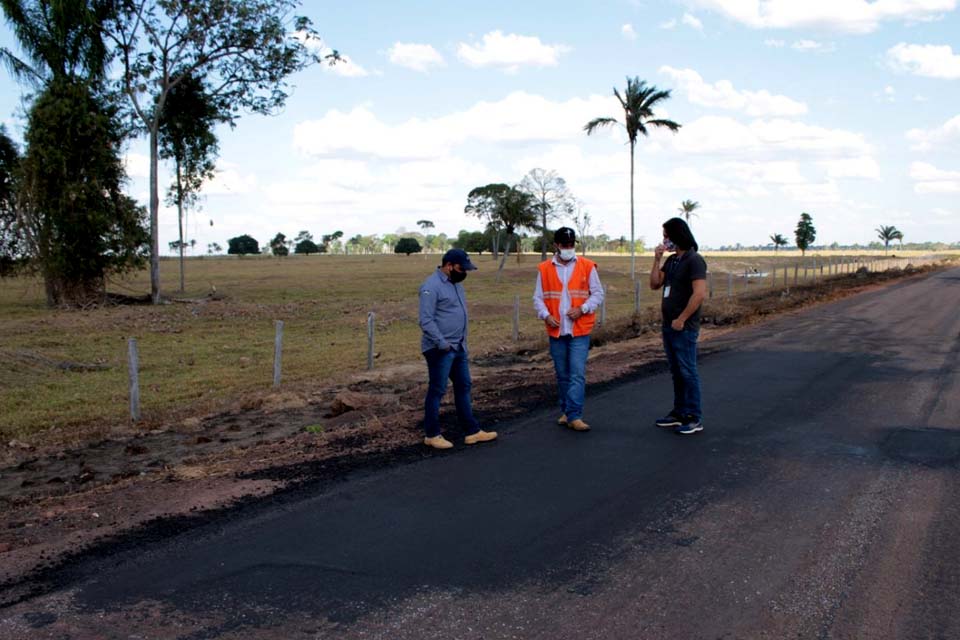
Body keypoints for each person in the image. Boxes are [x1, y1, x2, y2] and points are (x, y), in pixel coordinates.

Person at [418, 248, 498, 450]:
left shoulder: (456, 284)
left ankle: (472, 431)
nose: (465, 273)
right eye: (462, 268)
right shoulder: (431, 286)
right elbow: (425, 320)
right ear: (448, 266)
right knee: (437, 390)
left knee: (464, 386)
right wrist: (442, 342)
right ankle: (432, 434)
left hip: (459, 346)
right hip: (440, 349)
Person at [533, 227, 605, 432]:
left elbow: (598, 294)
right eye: (564, 245)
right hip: (556, 330)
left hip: (579, 329)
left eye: (571, 245)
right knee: (562, 374)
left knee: (576, 374)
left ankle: (575, 415)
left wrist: (582, 309)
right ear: (556, 245)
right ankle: (566, 411)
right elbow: (538, 298)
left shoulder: (587, 266)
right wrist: (546, 315)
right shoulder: (545, 268)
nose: (568, 248)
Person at [649, 217, 707, 435]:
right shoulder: (672, 261)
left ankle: (694, 415)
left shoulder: (695, 260)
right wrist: (656, 259)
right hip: (669, 325)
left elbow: (699, 293)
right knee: (676, 371)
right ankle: (679, 412)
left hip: (684, 326)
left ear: (677, 235)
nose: (665, 239)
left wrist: (682, 318)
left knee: (687, 370)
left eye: (667, 235)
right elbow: (655, 284)